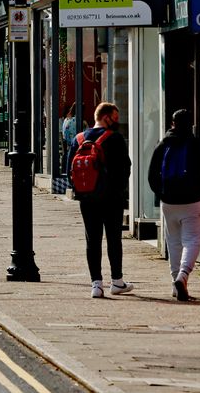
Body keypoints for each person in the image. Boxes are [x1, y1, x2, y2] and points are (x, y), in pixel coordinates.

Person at [67, 102, 134, 299]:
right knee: (114, 239)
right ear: (105, 117)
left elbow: (68, 170)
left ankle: (96, 284)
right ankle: (117, 281)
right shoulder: (115, 138)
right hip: (112, 198)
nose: (117, 121)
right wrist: (120, 191)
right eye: (115, 117)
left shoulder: (78, 139)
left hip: (87, 198)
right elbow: (125, 168)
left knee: (92, 240)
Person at [148, 109, 200, 301]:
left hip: (168, 203)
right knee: (192, 240)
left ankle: (175, 284)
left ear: (172, 123)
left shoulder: (162, 145)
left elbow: (151, 175)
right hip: (193, 201)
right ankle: (183, 276)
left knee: (174, 242)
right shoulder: (199, 146)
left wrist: (161, 194)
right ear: (191, 124)